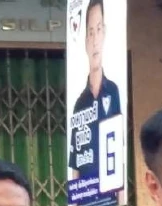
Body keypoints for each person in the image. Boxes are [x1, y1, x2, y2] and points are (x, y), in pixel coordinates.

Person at [69, 0, 122, 183]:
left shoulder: (114, 92)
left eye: (98, 30)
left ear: (104, 34)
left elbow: (119, 150)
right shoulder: (79, 104)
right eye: (90, 33)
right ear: (85, 42)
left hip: (110, 192)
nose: (94, 40)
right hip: (86, 195)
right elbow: (75, 162)